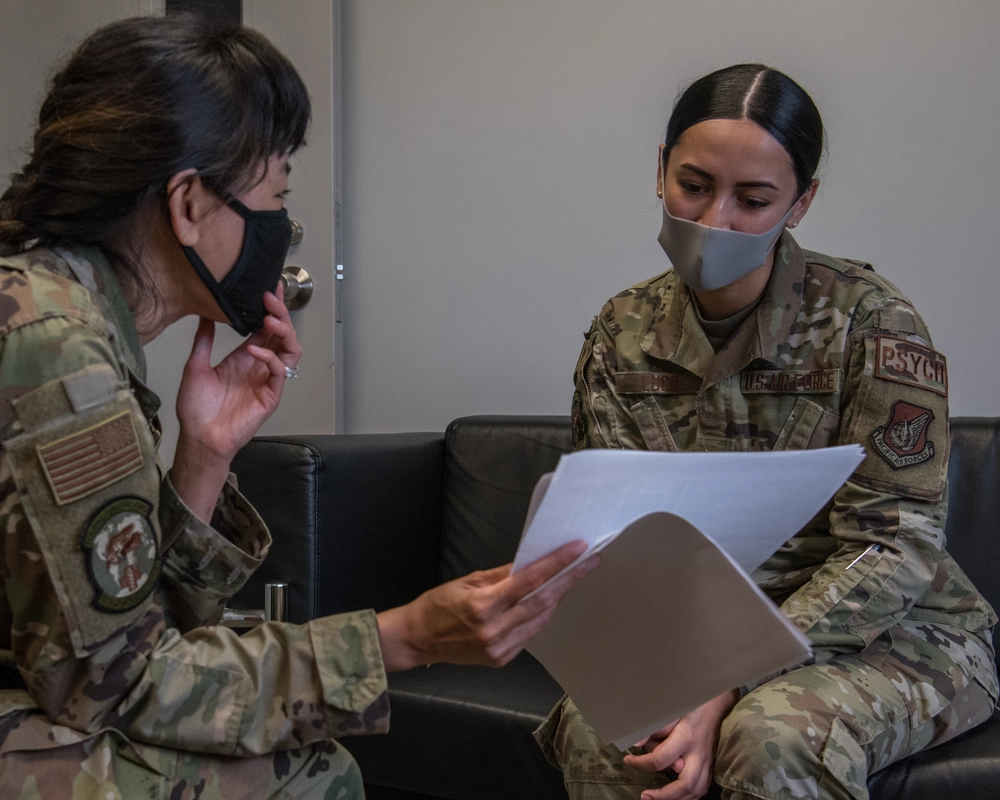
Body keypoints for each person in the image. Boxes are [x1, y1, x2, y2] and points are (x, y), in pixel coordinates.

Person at [0, 16, 597, 800]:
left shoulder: (63, 306)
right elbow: (117, 681)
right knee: (302, 775)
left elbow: (122, 629)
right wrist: (405, 637)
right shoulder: (55, 344)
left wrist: (206, 453)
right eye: (275, 196)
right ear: (186, 204)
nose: (282, 231)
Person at [535, 64, 998, 800]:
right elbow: (620, 537)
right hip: (690, 637)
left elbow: (892, 547)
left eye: (753, 200)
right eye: (693, 185)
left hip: (892, 636)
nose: (715, 220)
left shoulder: (872, 323)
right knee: (609, 733)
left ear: (801, 202)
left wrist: (730, 679)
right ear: (659, 171)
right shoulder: (621, 331)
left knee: (769, 736)